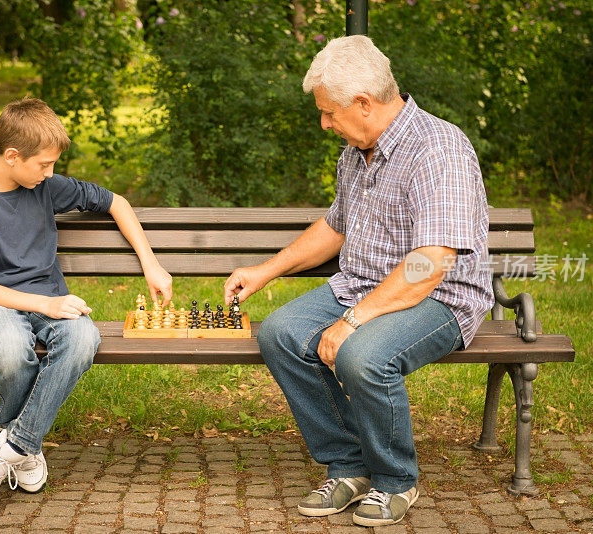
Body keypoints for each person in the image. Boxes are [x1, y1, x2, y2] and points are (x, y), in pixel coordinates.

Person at [224, 35, 493, 527]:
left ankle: (395, 480)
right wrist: (266, 270)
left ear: (364, 104)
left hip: (440, 297)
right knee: (280, 335)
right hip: (362, 284)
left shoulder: (440, 150)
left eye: (329, 112)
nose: (324, 122)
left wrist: (354, 319)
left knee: (362, 355)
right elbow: (335, 227)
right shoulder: (357, 149)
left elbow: (431, 264)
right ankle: (349, 466)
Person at [0, 97, 172, 509]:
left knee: (83, 338)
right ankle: (26, 447)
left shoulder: (43, 187)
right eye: (45, 164)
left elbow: (115, 202)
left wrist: (152, 266)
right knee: (13, 352)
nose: (51, 173)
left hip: (49, 301)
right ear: (13, 156)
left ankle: (9, 448)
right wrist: (47, 304)